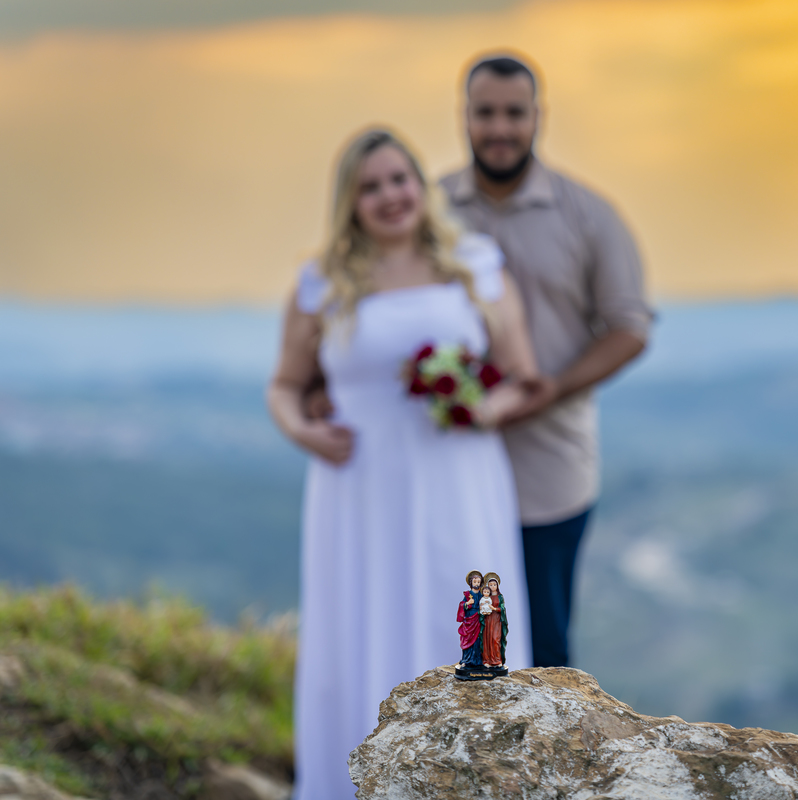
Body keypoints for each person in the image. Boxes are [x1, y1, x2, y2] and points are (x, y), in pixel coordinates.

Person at [266, 127, 535, 800]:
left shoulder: (474, 263)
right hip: (357, 486)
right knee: (360, 626)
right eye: (371, 186)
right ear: (349, 201)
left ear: (422, 184)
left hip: (460, 478)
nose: (390, 196)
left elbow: (523, 376)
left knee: (465, 618)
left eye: (400, 180)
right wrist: (303, 430)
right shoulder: (322, 282)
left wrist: (483, 407)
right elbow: (284, 386)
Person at [439, 54, 653, 668]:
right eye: (486, 113)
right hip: (445, 464)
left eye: (514, 113)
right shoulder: (428, 211)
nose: (499, 128)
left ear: (539, 117)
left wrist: (551, 386)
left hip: (548, 470)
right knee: (457, 648)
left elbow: (630, 328)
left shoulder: (588, 215)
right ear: (465, 117)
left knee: (541, 648)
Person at [480, 573, 508, 667]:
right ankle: (487, 660)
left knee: (495, 639)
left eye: (494, 585)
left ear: (497, 586)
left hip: (496, 620)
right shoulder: (486, 597)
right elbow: (482, 606)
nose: (493, 586)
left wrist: (495, 609)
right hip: (488, 619)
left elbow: (503, 608)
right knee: (487, 639)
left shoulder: (500, 597)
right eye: (490, 585)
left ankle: (497, 660)